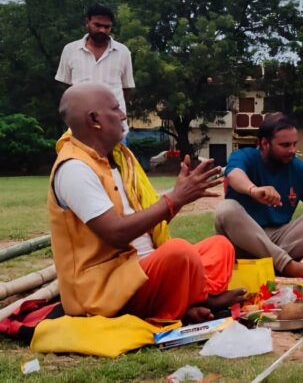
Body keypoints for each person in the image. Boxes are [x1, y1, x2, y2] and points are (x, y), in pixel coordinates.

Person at [50, 83, 243, 322]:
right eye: (115, 108)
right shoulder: (75, 169)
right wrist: (174, 199)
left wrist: (180, 198)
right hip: (108, 288)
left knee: (219, 246)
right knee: (180, 252)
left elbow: (145, 224)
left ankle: (188, 300)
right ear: (94, 119)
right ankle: (202, 299)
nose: (123, 115)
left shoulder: (120, 161)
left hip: (144, 269)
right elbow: (116, 233)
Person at [215, 116, 303, 279]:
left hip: (279, 239)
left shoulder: (300, 170)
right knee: (226, 209)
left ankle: (274, 265)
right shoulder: (244, 156)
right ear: (265, 143)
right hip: (242, 242)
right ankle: (288, 266)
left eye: (294, 144)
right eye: (285, 145)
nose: (292, 150)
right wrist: (253, 190)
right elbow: (234, 174)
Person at [56, 4, 135, 121]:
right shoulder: (70, 50)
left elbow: (126, 88)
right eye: (97, 25)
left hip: (114, 123)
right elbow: (66, 85)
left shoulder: (123, 52)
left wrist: (110, 108)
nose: (102, 30)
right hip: (81, 122)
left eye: (107, 27)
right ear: (87, 22)